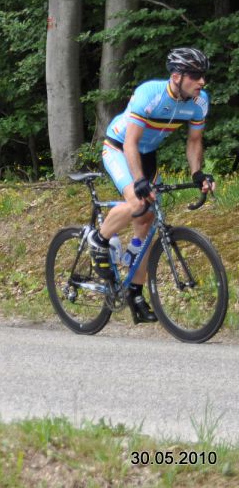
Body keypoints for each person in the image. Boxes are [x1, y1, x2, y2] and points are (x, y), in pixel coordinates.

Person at [89, 47, 215, 324]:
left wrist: (197, 173)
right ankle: (99, 241)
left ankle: (134, 291)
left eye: (202, 76)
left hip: (147, 154)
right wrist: (139, 181)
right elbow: (131, 142)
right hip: (120, 147)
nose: (202, 82)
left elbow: (194, 141)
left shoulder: (199, 101)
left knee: (146, 222)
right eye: (195, 76)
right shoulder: (151, 93)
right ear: (176, 76)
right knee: (137, 201)